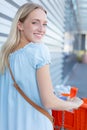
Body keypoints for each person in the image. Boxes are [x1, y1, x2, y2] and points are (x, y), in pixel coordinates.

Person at [0, 2, 83, 130]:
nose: (41, 29)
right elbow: (49, 101)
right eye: (35, 22)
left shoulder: (5, 54)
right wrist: (74, 104)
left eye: (44, 24)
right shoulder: (38, 51)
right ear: (20, 25)